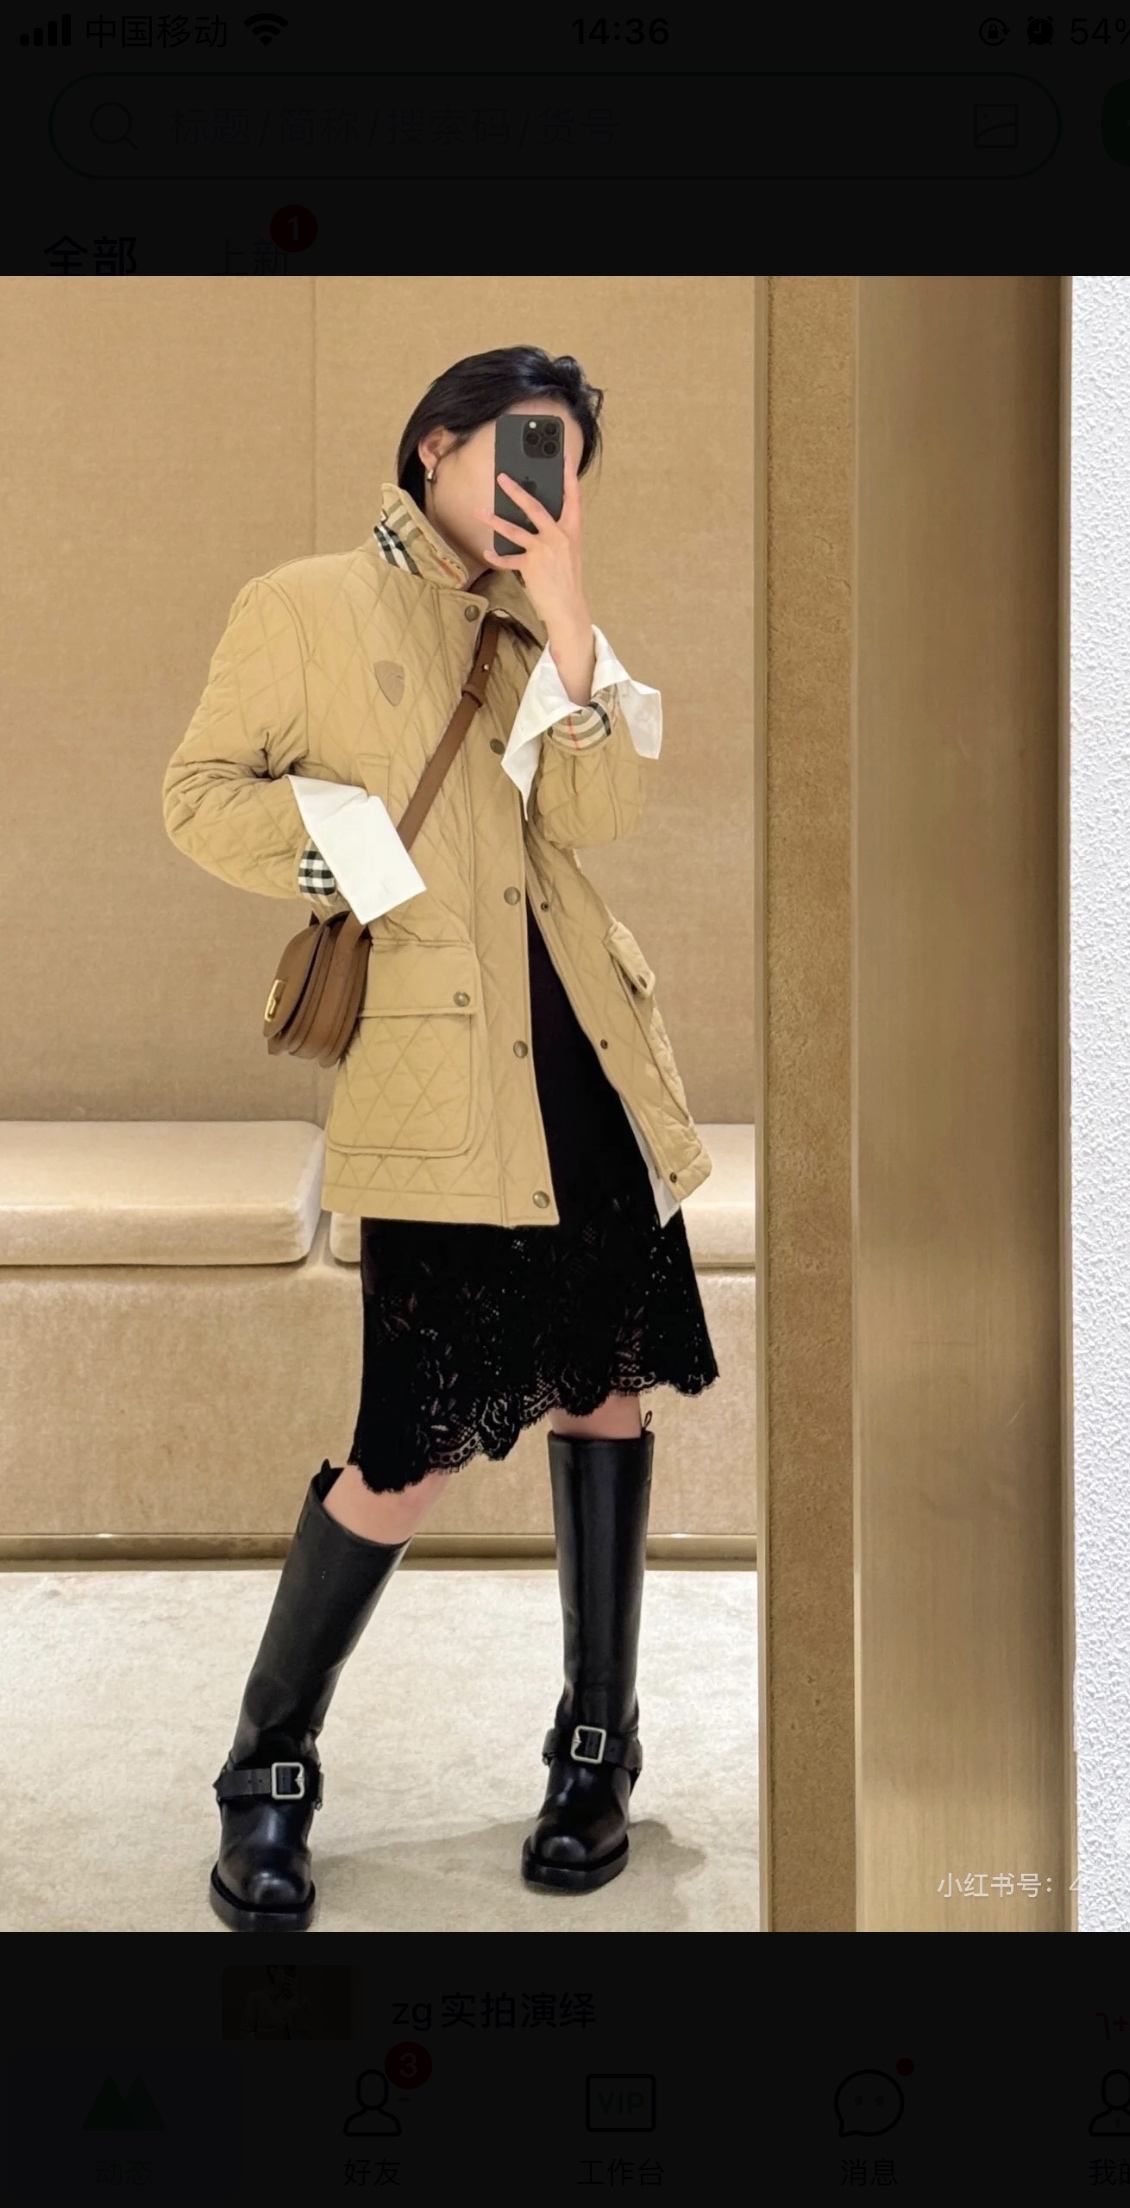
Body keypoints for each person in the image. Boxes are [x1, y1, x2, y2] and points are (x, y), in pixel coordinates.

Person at [162, 344, 720, 1933]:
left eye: (567, 466)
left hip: (584, 1063)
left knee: (602, 1394)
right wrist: (347, 841)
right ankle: (266, 1771)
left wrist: (569, 614)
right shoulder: (304, 605)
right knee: (400, 1452)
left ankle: (595, 1751)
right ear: (434, 447)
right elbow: (199, 794)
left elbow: (596, 823)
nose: (542, 486)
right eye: (521, 449)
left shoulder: (540, 625)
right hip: (438, 1079)